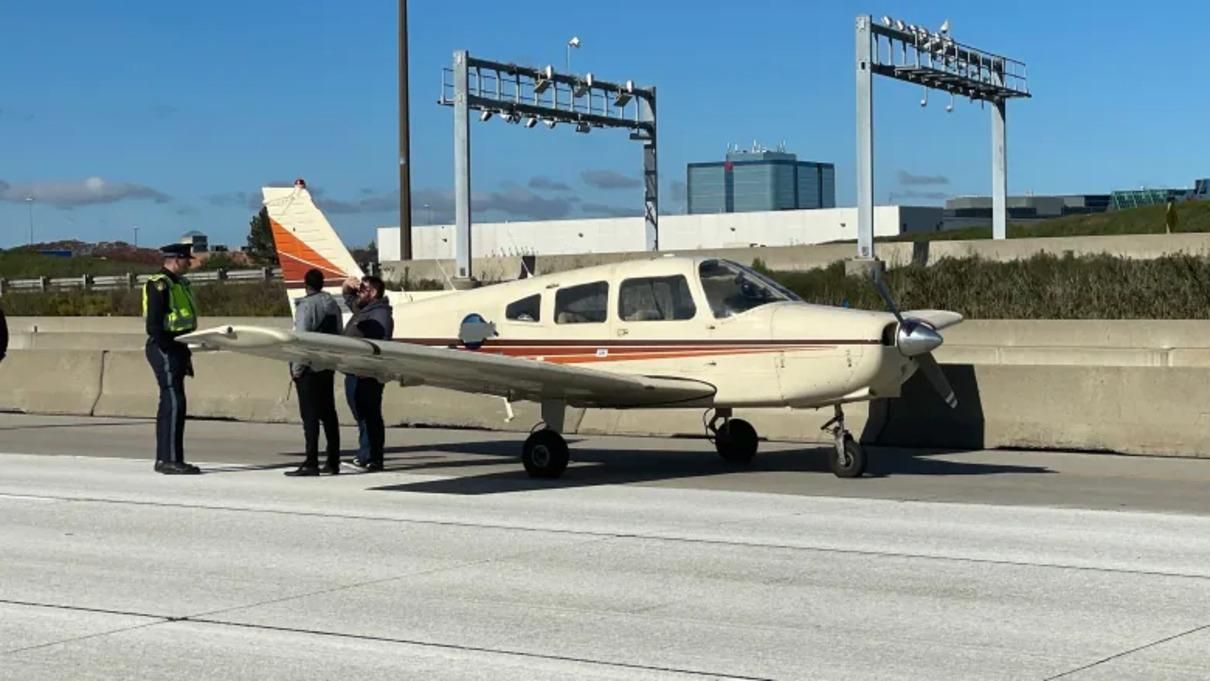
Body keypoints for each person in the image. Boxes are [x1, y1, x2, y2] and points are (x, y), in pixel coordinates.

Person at [143, 244, 200, 475]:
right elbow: (154, 326)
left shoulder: (180, 284)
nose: (190, 263)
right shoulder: (160, 284)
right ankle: (170, 460)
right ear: (175, 260)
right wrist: (171, 348)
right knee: (173, 402)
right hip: (165, 346)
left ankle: (167, 458)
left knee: (174, 403)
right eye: (187, 259)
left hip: (178, 346)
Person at [285, 268, 343, 477]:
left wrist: (297, 369)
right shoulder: (333, 305)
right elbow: (339, 333)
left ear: (305, 284)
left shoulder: (306, 306)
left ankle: (311, 461)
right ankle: (333, 460)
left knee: (310, 416)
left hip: (309, 366)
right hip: (327, 364)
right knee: (329, 413)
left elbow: (301, 339)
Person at [342, 275, 393, 472]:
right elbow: (349, 300)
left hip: (366, 373)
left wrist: (369, 368)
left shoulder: (379, 314)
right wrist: (347, 286)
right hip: (355, 371)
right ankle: (366, 454)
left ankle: (371, 457)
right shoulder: (365, 308)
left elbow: (381, 343)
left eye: (362, 290)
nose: (358, 294)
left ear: (372, 293)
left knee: (370, 415)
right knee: (361, 414)